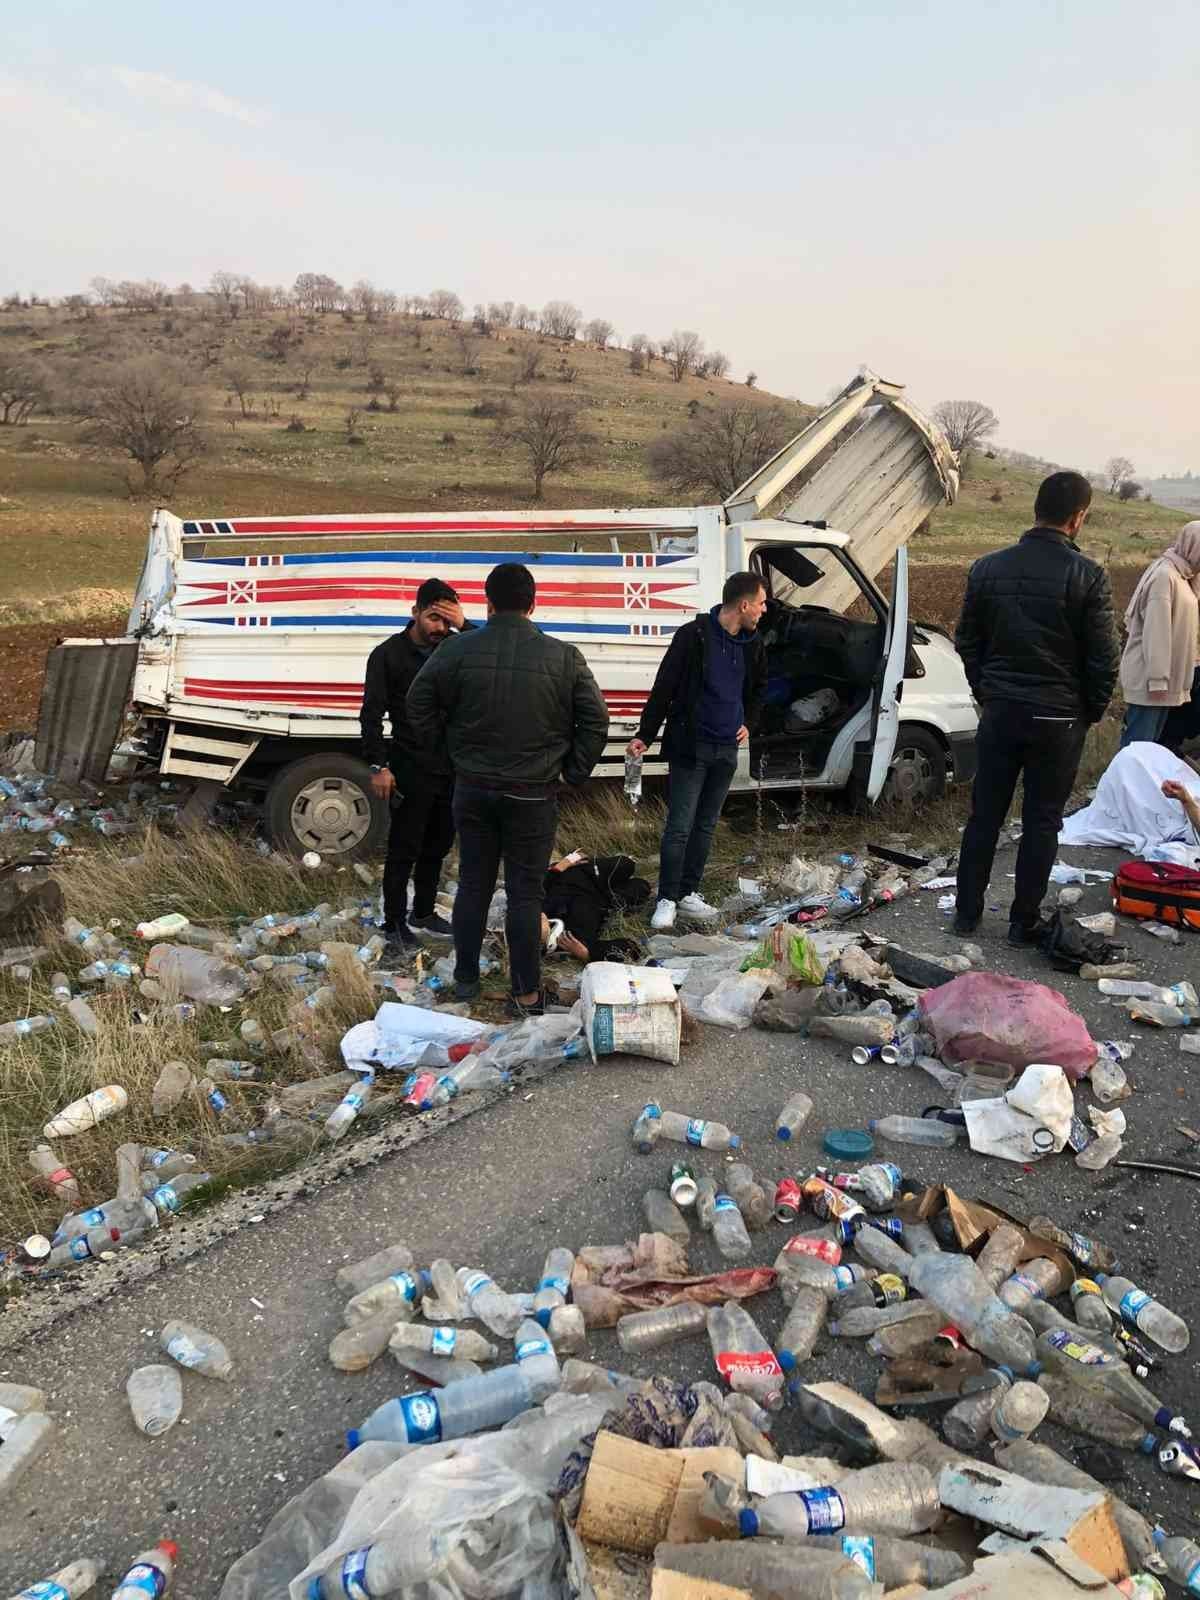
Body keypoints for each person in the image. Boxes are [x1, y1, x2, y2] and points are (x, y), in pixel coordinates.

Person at [407, 562, 610, 1014]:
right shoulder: (563, 656)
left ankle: (466, 982)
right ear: (533, 605)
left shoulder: (456, 650)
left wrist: (448, 758)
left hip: (473, 787)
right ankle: (526, 994)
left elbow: (417, 704)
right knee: (525, 894)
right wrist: (571, 773)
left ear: (488, 603)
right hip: (533, 793)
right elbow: (596, 721)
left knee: (473, 885)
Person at [953, 470, 1119, 945]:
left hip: (1002, 712)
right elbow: (1103, 659)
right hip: (1059, 719)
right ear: (1078, 517)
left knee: (984, 815)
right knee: (1042, 821)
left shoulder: (987, 569)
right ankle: (1022, 921)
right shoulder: (1088, 576)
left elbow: (967, 640)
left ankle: (966, 914)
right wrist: (1089, 711)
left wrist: (987, 691)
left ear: (1036, 509)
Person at [627, 571, 767, 930]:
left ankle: (689, 892)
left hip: (726, 749)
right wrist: (645, 734)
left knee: (706, 825)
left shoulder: (753, 644)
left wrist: (750, 722)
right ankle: (667, 899)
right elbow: (665, 685)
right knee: (679, 826)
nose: (764, 610)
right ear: (744, 604)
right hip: (692, 746)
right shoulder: (694, 635)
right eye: (761, 603)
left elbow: (759, 688)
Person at [359, 578, 470, 955]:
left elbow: (493, 650)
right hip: (409, 764)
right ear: (415, 612)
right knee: (404, 848)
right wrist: (378, 765)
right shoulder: (387, 654)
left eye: (447, 621)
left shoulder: (456, 647)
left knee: (437, 846)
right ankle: (393, 922)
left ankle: (423, 912)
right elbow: (371, 714)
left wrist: (464, 625)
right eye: (434, 618)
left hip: (450, 766)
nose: (440, 627)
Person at [1118, 522, 1200, 749]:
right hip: (1152, 684)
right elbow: (1157, 633)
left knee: (1150, 750)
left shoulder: (1184, 576)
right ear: (1194, 546)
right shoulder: (1166, 577)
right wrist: (1158, 681)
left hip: (1166, 682)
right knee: (1138, 749)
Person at [540, 853, 650, 963]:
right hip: (605, 899)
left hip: (581, 876)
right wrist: (587, 955)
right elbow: (631, 948)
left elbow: (537, 883)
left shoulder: (533, 905)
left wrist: (559, 867)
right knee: (641, 887)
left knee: (625, 864)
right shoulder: (570, 941)